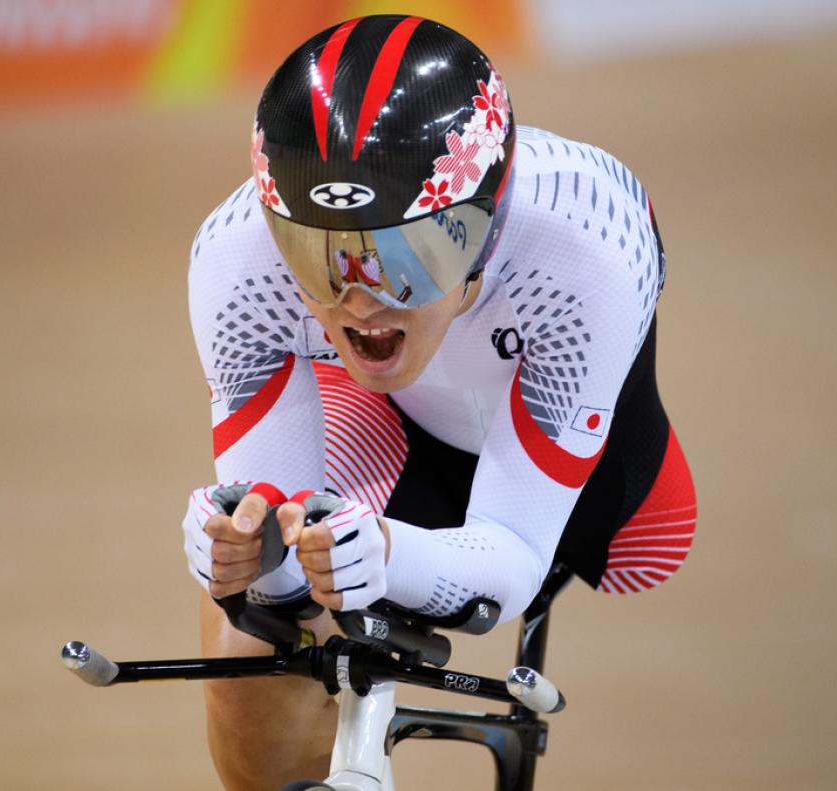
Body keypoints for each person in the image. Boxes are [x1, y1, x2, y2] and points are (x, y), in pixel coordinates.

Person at [182, 15, 696, 790]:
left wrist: (385, 555)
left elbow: (515, 555)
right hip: (387, 420)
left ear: (485, 226)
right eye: (319, 257)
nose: (359, 303)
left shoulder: (585, 245)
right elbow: (277, 545)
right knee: (246, 644)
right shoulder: (237, 258)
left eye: (408, 256)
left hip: (560, 424)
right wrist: (251, 557)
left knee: (646, 547)